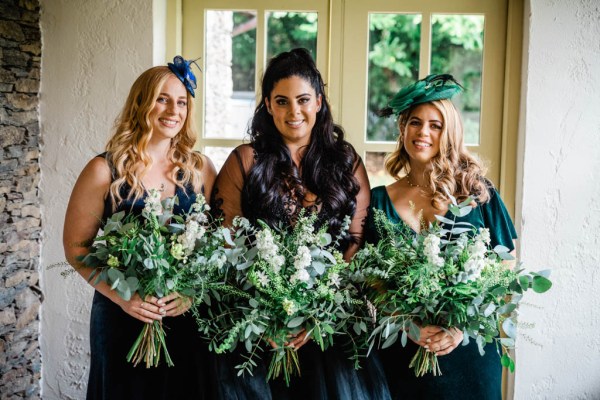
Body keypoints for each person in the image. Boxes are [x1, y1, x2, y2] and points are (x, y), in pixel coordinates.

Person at [210, 48, 390, 400]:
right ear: (267, 105)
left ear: (319, 102)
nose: (294, 112)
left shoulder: (346, 160)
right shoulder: (245, 161)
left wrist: (316, 308)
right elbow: (224, 243)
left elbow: (356, 240)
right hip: (258, 330)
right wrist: (267, 309)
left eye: (303, 99)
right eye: (282, 101)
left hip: (330, 327)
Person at [63, 56, 217, 400]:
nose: (173, 110)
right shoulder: (104, 170)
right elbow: (76, 248)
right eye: (162, 98)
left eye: (181, 102)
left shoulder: (201, 169)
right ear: (141, 103)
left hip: (183, 315)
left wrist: (193, 293)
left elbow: (217, 245)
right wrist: (124, 297)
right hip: (122, 316)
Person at [367, 74, 518, 399]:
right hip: (405, 357)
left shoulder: (478, 193)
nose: (423, 132)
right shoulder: (378, 201)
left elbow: (505, 271)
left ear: (449, 133)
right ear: (403, 128)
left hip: (470, 358)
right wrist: (409, 326)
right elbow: (370, 282)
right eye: (415, 123)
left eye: (435, 125)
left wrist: (461, 327)